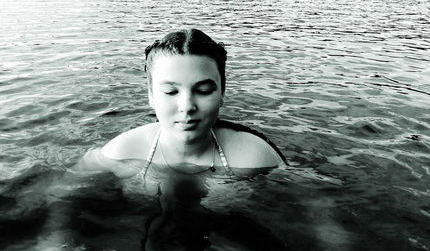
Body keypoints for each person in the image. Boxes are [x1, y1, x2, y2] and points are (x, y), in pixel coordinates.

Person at [75, 29, 287, 185]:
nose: (186, 107)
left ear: (222, 93)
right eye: (170, 92)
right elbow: (59, 196)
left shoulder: (256, 156)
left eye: (203, 91)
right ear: (151, 95)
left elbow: (306, 214)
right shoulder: (120, 152)